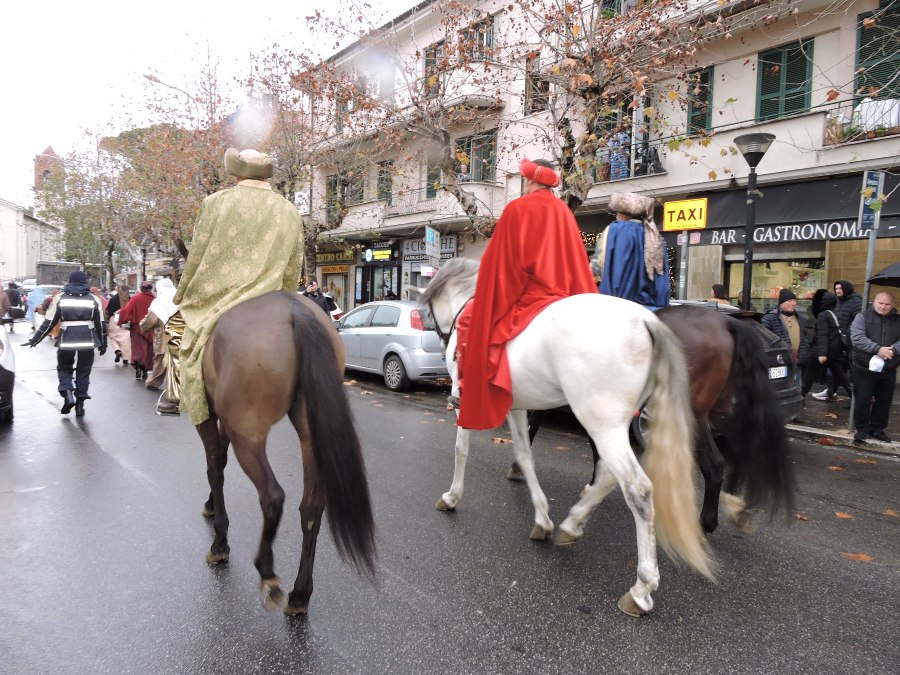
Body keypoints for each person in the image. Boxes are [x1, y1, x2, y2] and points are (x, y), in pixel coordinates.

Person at [457, 158, 597, 430]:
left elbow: (503, 266)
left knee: (468, 320)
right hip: (564, 296)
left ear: (531, 180)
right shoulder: (564, 211)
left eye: (523, 180)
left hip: (530, 298)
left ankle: (467, 389)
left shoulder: (518, 208)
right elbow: (576, 263)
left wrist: (491, 296)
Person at [173, 147, 304, 426]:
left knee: (175, 330)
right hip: (269, 298)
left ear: (236, 173)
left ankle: (176, 394)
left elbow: (197, 254)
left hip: (216, 296)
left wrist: (182, 292)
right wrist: (288, 297)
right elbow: (294, 265)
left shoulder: (216, 202)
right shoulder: (289, 210)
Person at [24, 270, 107, 416]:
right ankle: (80, 404)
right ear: (85, 281)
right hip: (87, 339)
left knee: (64, 368)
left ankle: (68, 394)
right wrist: (103, 343)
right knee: (84, 370)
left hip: (67, 338)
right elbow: (100, 324)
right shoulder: (94, 298)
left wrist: (35, 339)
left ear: (70, 281)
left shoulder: (60, 297)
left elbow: (49, 322)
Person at [592, 191, 669, 309]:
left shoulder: (614, 230)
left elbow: (597, 266)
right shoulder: (654, 234)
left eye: (617, 213)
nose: (616, 217)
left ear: (624, 214)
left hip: (620, 306)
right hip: (653, 307)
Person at [849, 291, 899, 443]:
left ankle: (877, 428)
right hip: (864, 367)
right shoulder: (862, 317)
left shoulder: (898, 320)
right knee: (863, 399)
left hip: (888, 367)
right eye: (880, 303)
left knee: (884, 400)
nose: (883, 307)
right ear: (874, 302)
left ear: (893, 305)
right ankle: (862, 429)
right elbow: (857, 338)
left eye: (887, 304)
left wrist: (893, 350)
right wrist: (878, 349)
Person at [803, 291, 852, 399]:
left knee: (809, 375)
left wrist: (821, 353)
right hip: (834, 351)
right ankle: (855, 397)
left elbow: (822, 334)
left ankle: (801, 395)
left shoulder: (823, 315)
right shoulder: (836, 313)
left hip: (821, 351)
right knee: (842, 376)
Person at [762, 288, 809, 388]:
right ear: (781, 303)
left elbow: (805, 339)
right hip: (779, 362)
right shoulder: (771, 318)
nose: (793, 303)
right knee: (779, 388)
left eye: (794, 301)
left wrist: (802, 356)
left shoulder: (801, 319)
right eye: (789, 301)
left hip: (797, 360)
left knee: (797, 388)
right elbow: (764, 338)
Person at [139, 278, 177, 394]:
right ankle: (178, 387)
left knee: (160, 361)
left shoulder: (158, 302)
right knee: (177, 362)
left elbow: (150, 321)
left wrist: (142, 326)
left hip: (163, 337)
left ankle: (153, 382)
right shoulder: (180, 300)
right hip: (179, 336)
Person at [119, 281, 156, 381]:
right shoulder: (154, 300)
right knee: (147, 351)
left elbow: (126, 311)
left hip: (136, 329)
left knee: (137, 349)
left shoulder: (135, 298)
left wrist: (121, 318)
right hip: (150, 329)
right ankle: (145, 370)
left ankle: (138, 369)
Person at [105, 283, 132, 366]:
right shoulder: (130, 299)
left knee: (113, 337)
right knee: (125, 340)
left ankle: (117, 350)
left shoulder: (113, 299)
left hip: (114, 320)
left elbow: (108, 311)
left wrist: (106, 319)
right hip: (125, 320)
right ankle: (125, 359)